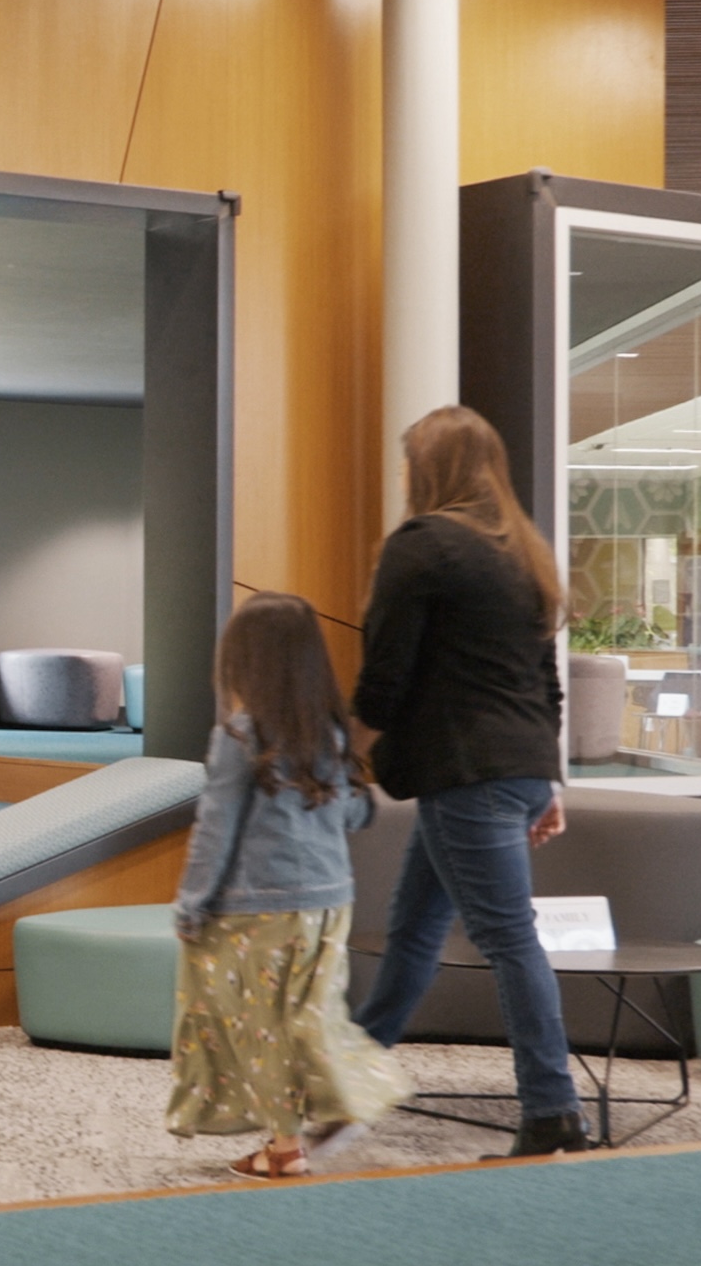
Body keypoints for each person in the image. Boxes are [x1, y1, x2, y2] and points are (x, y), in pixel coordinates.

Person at [348, 405, 594, 1158]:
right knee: (417, 924)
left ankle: (553, 1110)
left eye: (405, 463)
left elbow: (384, 677)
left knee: (507, 936)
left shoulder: (422, 546)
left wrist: (360, 728)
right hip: (514, 768)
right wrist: (548, 781)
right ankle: (349, 1073)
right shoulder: (525, 552)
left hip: (467, 772)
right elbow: (544, 683)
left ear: (428, 469)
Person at [165, 594, 410, 1179]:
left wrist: (191, 904)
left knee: (258, 1027)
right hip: (329, 902)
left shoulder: (240, 734)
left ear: (244, 662)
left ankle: (286, 1145)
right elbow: (351, 815)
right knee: (312, 1015)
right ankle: (351, 1096)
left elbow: (215, 828)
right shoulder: (327, 733)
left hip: (256, 911)